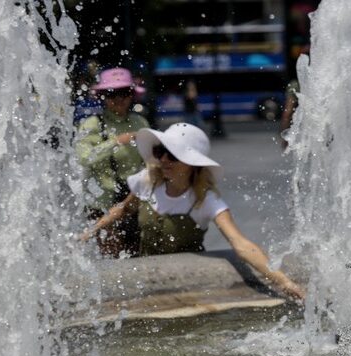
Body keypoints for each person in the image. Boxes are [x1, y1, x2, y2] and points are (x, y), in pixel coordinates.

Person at [81, 123, 305, 300]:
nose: (164, 160)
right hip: (146, 276)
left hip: (187, 284)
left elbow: (241, 244)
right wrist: (88, 234)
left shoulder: (205, 200)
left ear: (192, 163)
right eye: (160, 152)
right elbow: (123, 209)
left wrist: (283, 282)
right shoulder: (147, 181)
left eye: (173, 155)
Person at [76, 67, 150, 256]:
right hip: (102, 204)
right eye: (111, 94)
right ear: (102, 96)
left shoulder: (140, 122)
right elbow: (84, 158)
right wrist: (115, 142)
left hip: (133, 201)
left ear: (132, 95)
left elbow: (150, 158)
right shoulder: (92, 124)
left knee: (139, 253)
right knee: (112, 256)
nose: (118, 99)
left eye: (124, 93)